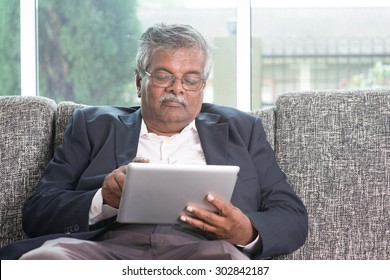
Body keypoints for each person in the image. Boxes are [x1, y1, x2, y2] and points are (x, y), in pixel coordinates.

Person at [0, 23, 307, 260]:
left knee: (226, 265)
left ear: (202, 85)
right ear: (139, 82)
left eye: (191, 79)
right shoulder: (93, 125)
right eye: (163, 76)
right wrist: (102, 199)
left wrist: (246, 230)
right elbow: (37, 212)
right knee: (47, 260)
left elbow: (291, 216)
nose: (177, 88)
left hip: (204, 251)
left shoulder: (243, 128)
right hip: (105, 249)